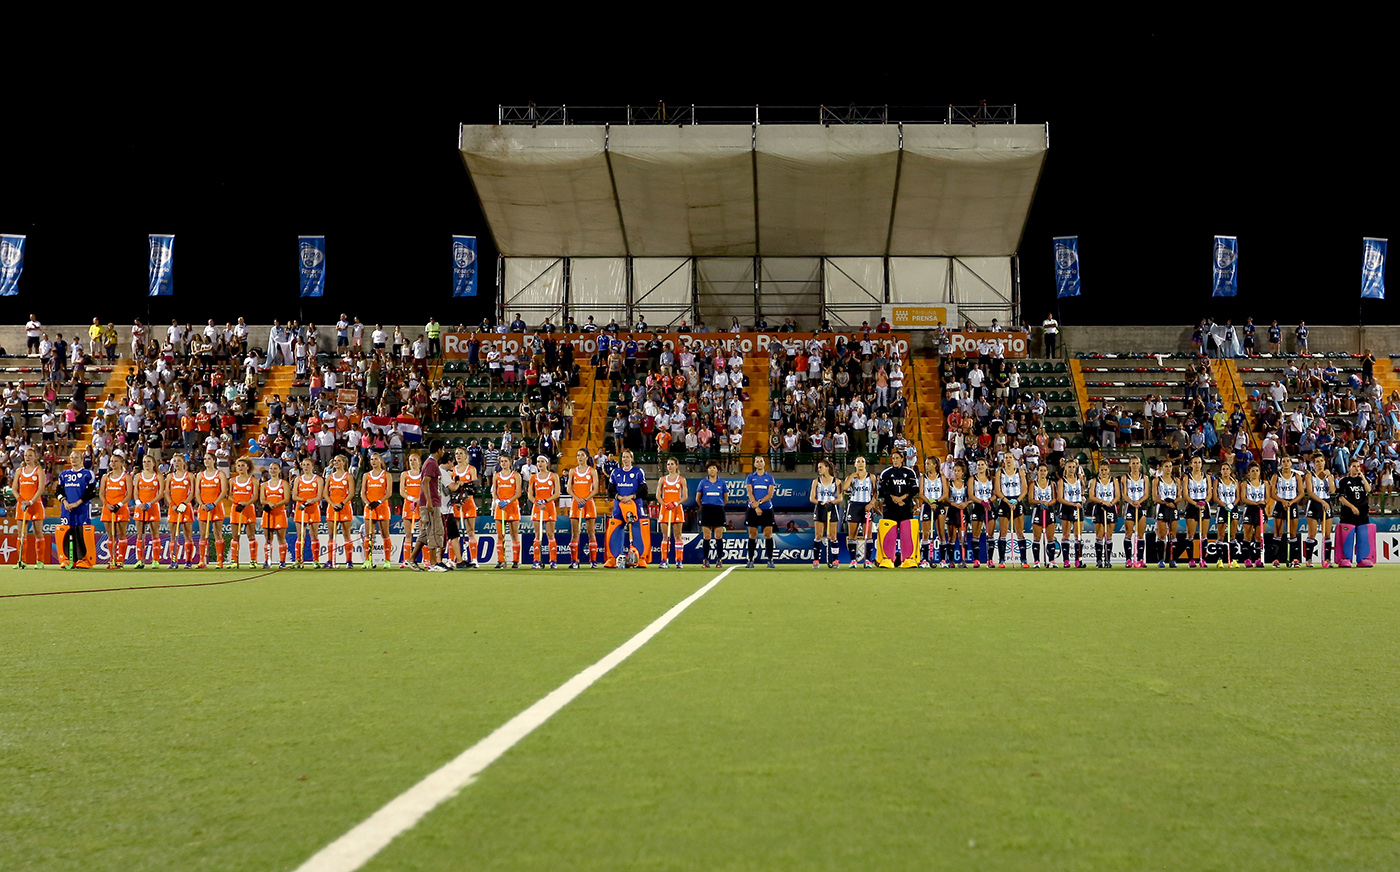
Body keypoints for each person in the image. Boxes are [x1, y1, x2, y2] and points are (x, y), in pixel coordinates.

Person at [875, 450, 919, 568]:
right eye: (893, 458)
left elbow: (914, 489)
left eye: (897, 458)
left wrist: (902, 498)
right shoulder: (886, 473)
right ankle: (887, 559)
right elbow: (882, 490)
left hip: (906, 507)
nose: (895, 460)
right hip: (890, 508)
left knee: (906, 533)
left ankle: (908, 559)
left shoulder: (910, 472)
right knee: (889, 533)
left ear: (902, 459)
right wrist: (893, 498)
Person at [409, 440, 447, 571]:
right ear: (439, 449)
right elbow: (425, 482)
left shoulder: (431, 463)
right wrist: (429, 501)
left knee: (425, 532)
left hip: (430, 502)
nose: (443, 452)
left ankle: (412, 559)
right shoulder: (431, 463)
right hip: (431, 503)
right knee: (434, 531)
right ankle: (433, 563)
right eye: (443, 449)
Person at [56, 450, 96, 569]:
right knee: (67, 532)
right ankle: (67, 559)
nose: (74, 460)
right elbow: (58, 491)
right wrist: (65, 502)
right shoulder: (64, 474)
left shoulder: (88, 474)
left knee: (81, 533)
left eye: (76, 457)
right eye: (72, 457)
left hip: (82, 508)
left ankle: (83, 559)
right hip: (66, 508)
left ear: (81, 460)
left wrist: (77, 503)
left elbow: (91, 492)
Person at [608, 449, 647, 567]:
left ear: (632, 459)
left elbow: (644, 490)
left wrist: (631, 497)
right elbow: (610, 490)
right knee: (616, 528)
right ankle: (614, 558)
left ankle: (639, 558)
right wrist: (619, 497)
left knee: (637, 529)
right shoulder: (615, 472)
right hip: (619, 505)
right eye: (623, 457)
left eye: (627, 457)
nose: (625, 459)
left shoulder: (638, 472)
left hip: (635, 504)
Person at [100, 450, 133, 569]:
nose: (113, 463)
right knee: (110, 535)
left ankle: (120, 560)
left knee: (121, 534)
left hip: (121, 508)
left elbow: (129, 494)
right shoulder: (105, 477)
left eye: (116, 461)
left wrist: (119, 504)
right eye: (112, 461)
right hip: (108, 508)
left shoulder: (126, 477)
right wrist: (106, 504)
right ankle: (112, 559)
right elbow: (101, 493)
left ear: (122, 463)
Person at [1269, 453, 1304, 566]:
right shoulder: (1276, 476)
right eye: (1283, 461)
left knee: (1293, 533)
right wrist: (1282, 501)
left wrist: (1291, 502)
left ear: (1291, 463)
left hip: (1292, 504)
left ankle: (1294, 559)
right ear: (1281, 464)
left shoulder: (1296, 476)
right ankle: (1276, 559)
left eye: (1287, 461)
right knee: (1278, 532)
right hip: (1280, 504)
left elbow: (1301, 493)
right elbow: (1271, 493)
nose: (1285, 463)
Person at [567, 448, 599, 569]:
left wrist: (585, 499)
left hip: (588, 503)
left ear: (587, 457)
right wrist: (577, 499)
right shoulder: (572, 471)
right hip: (576, 503)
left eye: (582, 455)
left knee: (591, 532)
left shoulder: (592, 471)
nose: (579, 457)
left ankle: (593, 561)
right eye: (578, 455)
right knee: (575, 533)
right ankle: (574, 561)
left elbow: (595, 489)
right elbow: (569, 489)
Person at [994, 452, 1027, 568]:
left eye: (1010, 457)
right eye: (1006, 458)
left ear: (1014, 459)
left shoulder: (1020, 472)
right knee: (1003, 531)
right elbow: (997, 490)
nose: (1008, 460)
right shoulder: (999, 473)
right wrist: (1007, 501)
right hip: (1004, 502)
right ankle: (1002, 560)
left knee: (1020, 531)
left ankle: (1024, 560)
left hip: (1017, 501)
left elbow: (1025, 489)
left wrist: (1017, 501)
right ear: (1003, 460)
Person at [744, 456, 778, 569]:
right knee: (752, 534)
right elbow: (749, 492)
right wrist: (755, 507)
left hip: (767, 509)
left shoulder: (770, 478)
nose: (759, 463)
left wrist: (759, 503)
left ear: (764, 463)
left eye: (761, 461)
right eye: (757, 461)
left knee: (768, 534)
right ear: (754, 464)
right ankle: (750, 559)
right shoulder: (750, 478)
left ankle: (770, 559)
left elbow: (770, 494)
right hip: (752, 509)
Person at [196, 451, 228, 568]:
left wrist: (214, 504)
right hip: (203, 507)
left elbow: (223, 491)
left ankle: (220, 561)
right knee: (202, 534)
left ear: (214, 461)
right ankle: (201, 561)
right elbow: (197, 492)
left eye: (209, 459)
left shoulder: (220, 474)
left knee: (217, 533)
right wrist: (201, 504)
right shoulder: (200, 475)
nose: (206, 461)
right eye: (205, 459)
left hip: (217, 506)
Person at [448, 447, 480, 568]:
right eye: (456, 453)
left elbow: (474, 487)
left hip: (468, 503)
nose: (458, 455)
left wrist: (463, 500)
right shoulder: (452, 471)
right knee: (454, 533)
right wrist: (457, 501)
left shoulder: (471, 469)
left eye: (461, 453)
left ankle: (474, 559)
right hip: (455, 505)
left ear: (466, 456)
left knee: (470, 531)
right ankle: (451, 559)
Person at [323, 454, 356, 568]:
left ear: (344, 463)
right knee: (331, 535)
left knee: (346, 534)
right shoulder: (330, 477)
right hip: (332, 507)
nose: (336, 463)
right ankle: (330, 560)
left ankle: (349, 561)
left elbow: (351, 493)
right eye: (335, 461)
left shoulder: (348, 476)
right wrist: (332, 504)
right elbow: (325, 493)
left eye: (338, 461)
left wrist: (342, 504)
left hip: (344, 507)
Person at [1304, 451, 1336, 568]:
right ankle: (1309, 559)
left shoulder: (1328, 476)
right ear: (1314, 464)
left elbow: (1332, 491)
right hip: (1314, 503)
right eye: (1317, 461)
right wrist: (1321, 501)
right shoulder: (1310, 475)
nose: (1320, 463)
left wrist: (1329, 477)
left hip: (1326, 503)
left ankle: (1327, 559)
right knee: (1312, 533)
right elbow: (1310, 492)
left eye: (1321, 461)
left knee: (1327, 534)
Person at [164, 454, 196, 569]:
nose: (176, 463)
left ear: (184, 462)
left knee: (188, 534)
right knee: (173, 535)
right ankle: (173, 561)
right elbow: (166, 493)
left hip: (186, 508)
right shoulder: (170, 476)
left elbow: (193, 492)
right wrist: (172, 504)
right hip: (173, 508)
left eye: (179, 461)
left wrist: (184, 503)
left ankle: (188, 561)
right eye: (175, 461)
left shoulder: (190, 476)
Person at [1337, 458, 1371, 565]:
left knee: (1363, 536)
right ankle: (1345, 558)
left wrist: (1363, 477)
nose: (1357, 469)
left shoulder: (1363, 480)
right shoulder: (1344, 481)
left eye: (1358, 466)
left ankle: (1363, 558)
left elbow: (1369, 490)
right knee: (1347, 537)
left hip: (1363, 513)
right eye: (1354, 466)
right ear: (1349, 468)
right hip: (1348, 513)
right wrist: (1352, 507)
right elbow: (1341, 497)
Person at [529, 455, 561, 569]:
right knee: (537, 535)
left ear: (547, 463)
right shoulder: (533, 477)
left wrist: (546, 501)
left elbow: (557, 493)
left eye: (542, 461)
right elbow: (530, 494)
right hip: (537, 507)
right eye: (538, 462)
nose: (540, 464)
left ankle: (553, 560)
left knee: (550, 534)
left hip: (549, 507)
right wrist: (536, 502)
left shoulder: (554, 476)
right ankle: (536, 560)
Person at [656, 456, 688, 569]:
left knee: (678, 535)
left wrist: (675, 503)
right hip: (665, 509)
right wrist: (664, 504)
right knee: (665, 536)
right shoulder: (662, 479)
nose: (670, 466)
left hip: (677, 509)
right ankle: (663, 560)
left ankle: (679, 560)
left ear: (676, 466)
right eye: (668, 464)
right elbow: (658, 495)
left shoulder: (681, 480)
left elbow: (685, 496)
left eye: (672, 464)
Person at [292, 456, 324, 569]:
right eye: (304, 465)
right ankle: (298, 559)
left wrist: (312, 501)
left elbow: (319, 496)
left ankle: (316, 560)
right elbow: (294, 496)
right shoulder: (298, 479)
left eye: (308, 465)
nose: (306, 467)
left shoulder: (318, 479)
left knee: (314, 535)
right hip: (301, 508)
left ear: (312, 467)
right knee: (300, 535)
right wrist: (305, 500)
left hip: (313, 508)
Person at [809, 460, 841, 568]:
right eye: (818, 467)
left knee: (833, 536)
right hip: (820, 508)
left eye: (821, 467)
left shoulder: (837, 481)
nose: (819, 469)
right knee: (818, 535)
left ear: (827, 468)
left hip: (831, 508)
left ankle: (835, 560)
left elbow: (840, 498)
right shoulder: (816, 481)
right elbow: (811, 498)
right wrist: (820, 503)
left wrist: (832, 502)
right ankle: (816, 560)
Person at [695, 460, 727, 569]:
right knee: (706, 536)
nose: (712, 470)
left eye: (714, 468)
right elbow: (698, 498)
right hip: (706, 510)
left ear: (717, 470)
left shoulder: (722, 483)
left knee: (718, 536)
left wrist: (719, 505)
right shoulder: (703, 483)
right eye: (709, 468)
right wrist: (703, 506)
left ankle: (719, 559)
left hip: (718, 510)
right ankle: (705, 560)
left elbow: (725, 498)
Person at [228, 457, 259, 569]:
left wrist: (246, 503)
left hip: (248, 509)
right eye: (238, 466)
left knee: (251, 535)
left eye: (243, 466)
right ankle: (234, 560)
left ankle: (253, 560)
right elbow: (229, 495)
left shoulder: (253, 480)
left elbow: (255, 496)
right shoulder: (232, 481)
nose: (240, 468)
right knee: (235, 536)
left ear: (248, 467)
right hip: (236, 509)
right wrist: (237, 502)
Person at [259, 461, 290, 568]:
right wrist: (269, 503)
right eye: (271, 468)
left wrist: (275, 505)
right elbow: (262, 500)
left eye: (275, 468)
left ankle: (282, 562)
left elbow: (286, 499)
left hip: (280, 513)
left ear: (279, 470)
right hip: (268, 514)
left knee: (281, 538)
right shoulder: (264, 485)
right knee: (268, 539)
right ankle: (267, 561)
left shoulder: (284, 483)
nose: (273, 470)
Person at [492, 457, 522, 568]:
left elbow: (518, 493)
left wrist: (508, 501)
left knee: (514, 534)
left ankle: (515, 561)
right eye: (501, 462)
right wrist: (497, 501)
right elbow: (494, 492)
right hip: (500, 508)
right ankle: (501, 560)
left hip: (512, 506)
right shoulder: (496, 476)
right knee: (500, 535)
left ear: (510, 462)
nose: (503, 463)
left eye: (505, 461)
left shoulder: (516, 475)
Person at [1087, 460, 1118, 569]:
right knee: (1099, 535)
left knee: (1109, 535)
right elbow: (1091, 496)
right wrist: (1102, 502)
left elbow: (1117, 496)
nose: (1103, 472)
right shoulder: (1095, 481)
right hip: (1099, 508)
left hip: (1110, 508)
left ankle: (1108, 560)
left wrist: (1110, 503)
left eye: (1105, 470)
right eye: (1101, 470)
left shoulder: (1114, 481)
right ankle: (1099, 560)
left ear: (1109, 470)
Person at [1182, 455, 1212, 568]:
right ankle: (1191, 560)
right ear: (1191, 464)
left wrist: (1204, 503)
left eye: (1199, 462)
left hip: (1204, 505)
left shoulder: (1207, 477)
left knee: (1204, 534)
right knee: (1190, 533)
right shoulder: (1187, 477)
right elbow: (1185, 494)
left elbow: (1209, 493)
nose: (1197, 465)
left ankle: (1202, 559)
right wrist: (1195, 504)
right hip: (1192, 505)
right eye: (1195, 462)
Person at [1120, 454, 1149, 568]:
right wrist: (1132, 502)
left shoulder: (1144, 478)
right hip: (1130, 506)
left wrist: (1139, 502)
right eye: (1133, 463)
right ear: (1130, 465)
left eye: (1137, 463)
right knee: (1129, 533)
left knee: (1141, 533)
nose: (1135, 465)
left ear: (1140, 464)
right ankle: (1128, 559)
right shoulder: (1125, 478)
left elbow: (1146, 494)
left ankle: (1140, 559)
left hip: (1141, 506)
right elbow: (1124, 494)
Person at [1057, 457, 1086, 568]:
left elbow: (1082, 490)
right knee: (1066, 534)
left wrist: (1082, 498)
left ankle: (1078, 560)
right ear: (1065, 468)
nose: (1071, 469)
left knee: (1078, 535)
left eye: (1073, 467)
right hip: (1067, 507)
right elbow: (1060, 498)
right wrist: (1073, 504)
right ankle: (1066, 560)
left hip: (1078, 507)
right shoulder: (1062, 481)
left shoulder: (1079, 479)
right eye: (1069, 467)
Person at [1027, 463, 1056, 568]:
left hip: (1049, 510)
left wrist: (1048, 503)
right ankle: (1036, 561)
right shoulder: (1033, 484)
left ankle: (1052, 560)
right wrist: (1041, 502)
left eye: (1044, 470)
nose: (1042, 473)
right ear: (1037, 472)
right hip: (1038, 510)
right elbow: (1030, 499)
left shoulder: (1051, 484)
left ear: (1047, 472)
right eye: (1041, 470)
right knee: (1037, 537)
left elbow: (1055, 498)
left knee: (1050, 537)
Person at [919, 455, 946, 568]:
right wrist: (930, 503)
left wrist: (936, 502)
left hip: (939, 505)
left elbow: (945, 494)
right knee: (926, 533)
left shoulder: (941, 477)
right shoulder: (923, 478)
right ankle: (925, 559)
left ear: (935, 465)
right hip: (927, 505)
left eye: (928, 464)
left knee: (941, 533)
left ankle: (943, 560)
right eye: (926, 464)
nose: (926, 466)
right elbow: (921, 494)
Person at [1240, 462, 1268, 567]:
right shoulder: (1245, 484)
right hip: (1249, 509)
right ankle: (1247, 559)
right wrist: (1255, 503)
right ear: (1249, 473)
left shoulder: (1265, 484)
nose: (1255, 473)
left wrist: (1262, 503)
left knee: (1259, 536)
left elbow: (1267, 498)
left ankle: (1258, 559)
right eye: (1252, 471)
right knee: (1247, 536)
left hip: (1260, 510)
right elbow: (1243, 498)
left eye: (1257, 471)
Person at [1154, 458, 1181, 568]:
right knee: (1162, 534)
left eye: (1170, 466)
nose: (1168, 469)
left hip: (1173, 508)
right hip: (1162, 507)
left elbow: (1179, 496)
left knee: (1173, 534)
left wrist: (1173, 502)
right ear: (1161, 468)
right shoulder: (1157, 481)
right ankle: (1161, 560)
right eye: (1166, 466)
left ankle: (1173, 559)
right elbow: (1155, 497)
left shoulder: (1176, 480)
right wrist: (1166, 503)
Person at [398, 452, 423, 568]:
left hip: (421, 506)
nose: (412, 462)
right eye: (410, 460)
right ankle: (406, 560)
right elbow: (402, 491)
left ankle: (426, 560)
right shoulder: (404, 474)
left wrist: (420, 500)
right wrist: (412, 499)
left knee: (423, 534)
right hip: (409, 506)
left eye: (414, 460)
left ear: (419, 462)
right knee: (408, 534)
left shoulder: (423, 475)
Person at [1214, 462, 1241, 567]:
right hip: (1222, 508)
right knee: (1221, 535)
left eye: (1227, 469)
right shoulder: (1217, 481)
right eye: (1223, 469)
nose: (1225, 471)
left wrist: (1232, 505)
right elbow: (1215, 497)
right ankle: (1219, 560)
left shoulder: (1235, 482)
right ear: (1221, 471)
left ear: (1230, 471)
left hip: (1233, 508)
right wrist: (1224, 505)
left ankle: (1234, 560)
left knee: (1233, 535)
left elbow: (1238, 497)